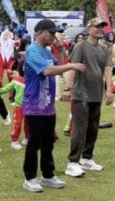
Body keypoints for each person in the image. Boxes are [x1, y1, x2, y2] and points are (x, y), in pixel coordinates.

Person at [21, 20, 84, 192]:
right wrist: (71, 65)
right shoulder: (32, 51)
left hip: (48, 105)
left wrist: (62, 50)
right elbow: (47, 71)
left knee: (48, 142)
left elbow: (59, 66)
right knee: (34, 143)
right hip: (34, 105)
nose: (53, 36)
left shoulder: (48, 51)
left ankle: (48, 176)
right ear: (40, 32)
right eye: (51, 33)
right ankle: (30, 178)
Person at [62, 18, 112, 178]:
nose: (100, 29)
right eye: (97, 27)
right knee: (80, 129)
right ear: (89, 28)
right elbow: (71, 68)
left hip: (96, 94)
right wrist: (68, 89)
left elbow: (108, 69)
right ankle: (72, 162)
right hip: (81, 93)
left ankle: (87, 158)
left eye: (102, 27)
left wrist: (109, 90)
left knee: (93, 128)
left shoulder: (104, 49)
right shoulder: (80, 46)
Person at [0, 67, 27, 150]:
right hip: (19, 106)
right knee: (17, 123)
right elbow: (5, 89)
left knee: (28, 124)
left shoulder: (32, 79)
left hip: (29, 106)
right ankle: (14, 141)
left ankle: (27, 138)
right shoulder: (16, 80)